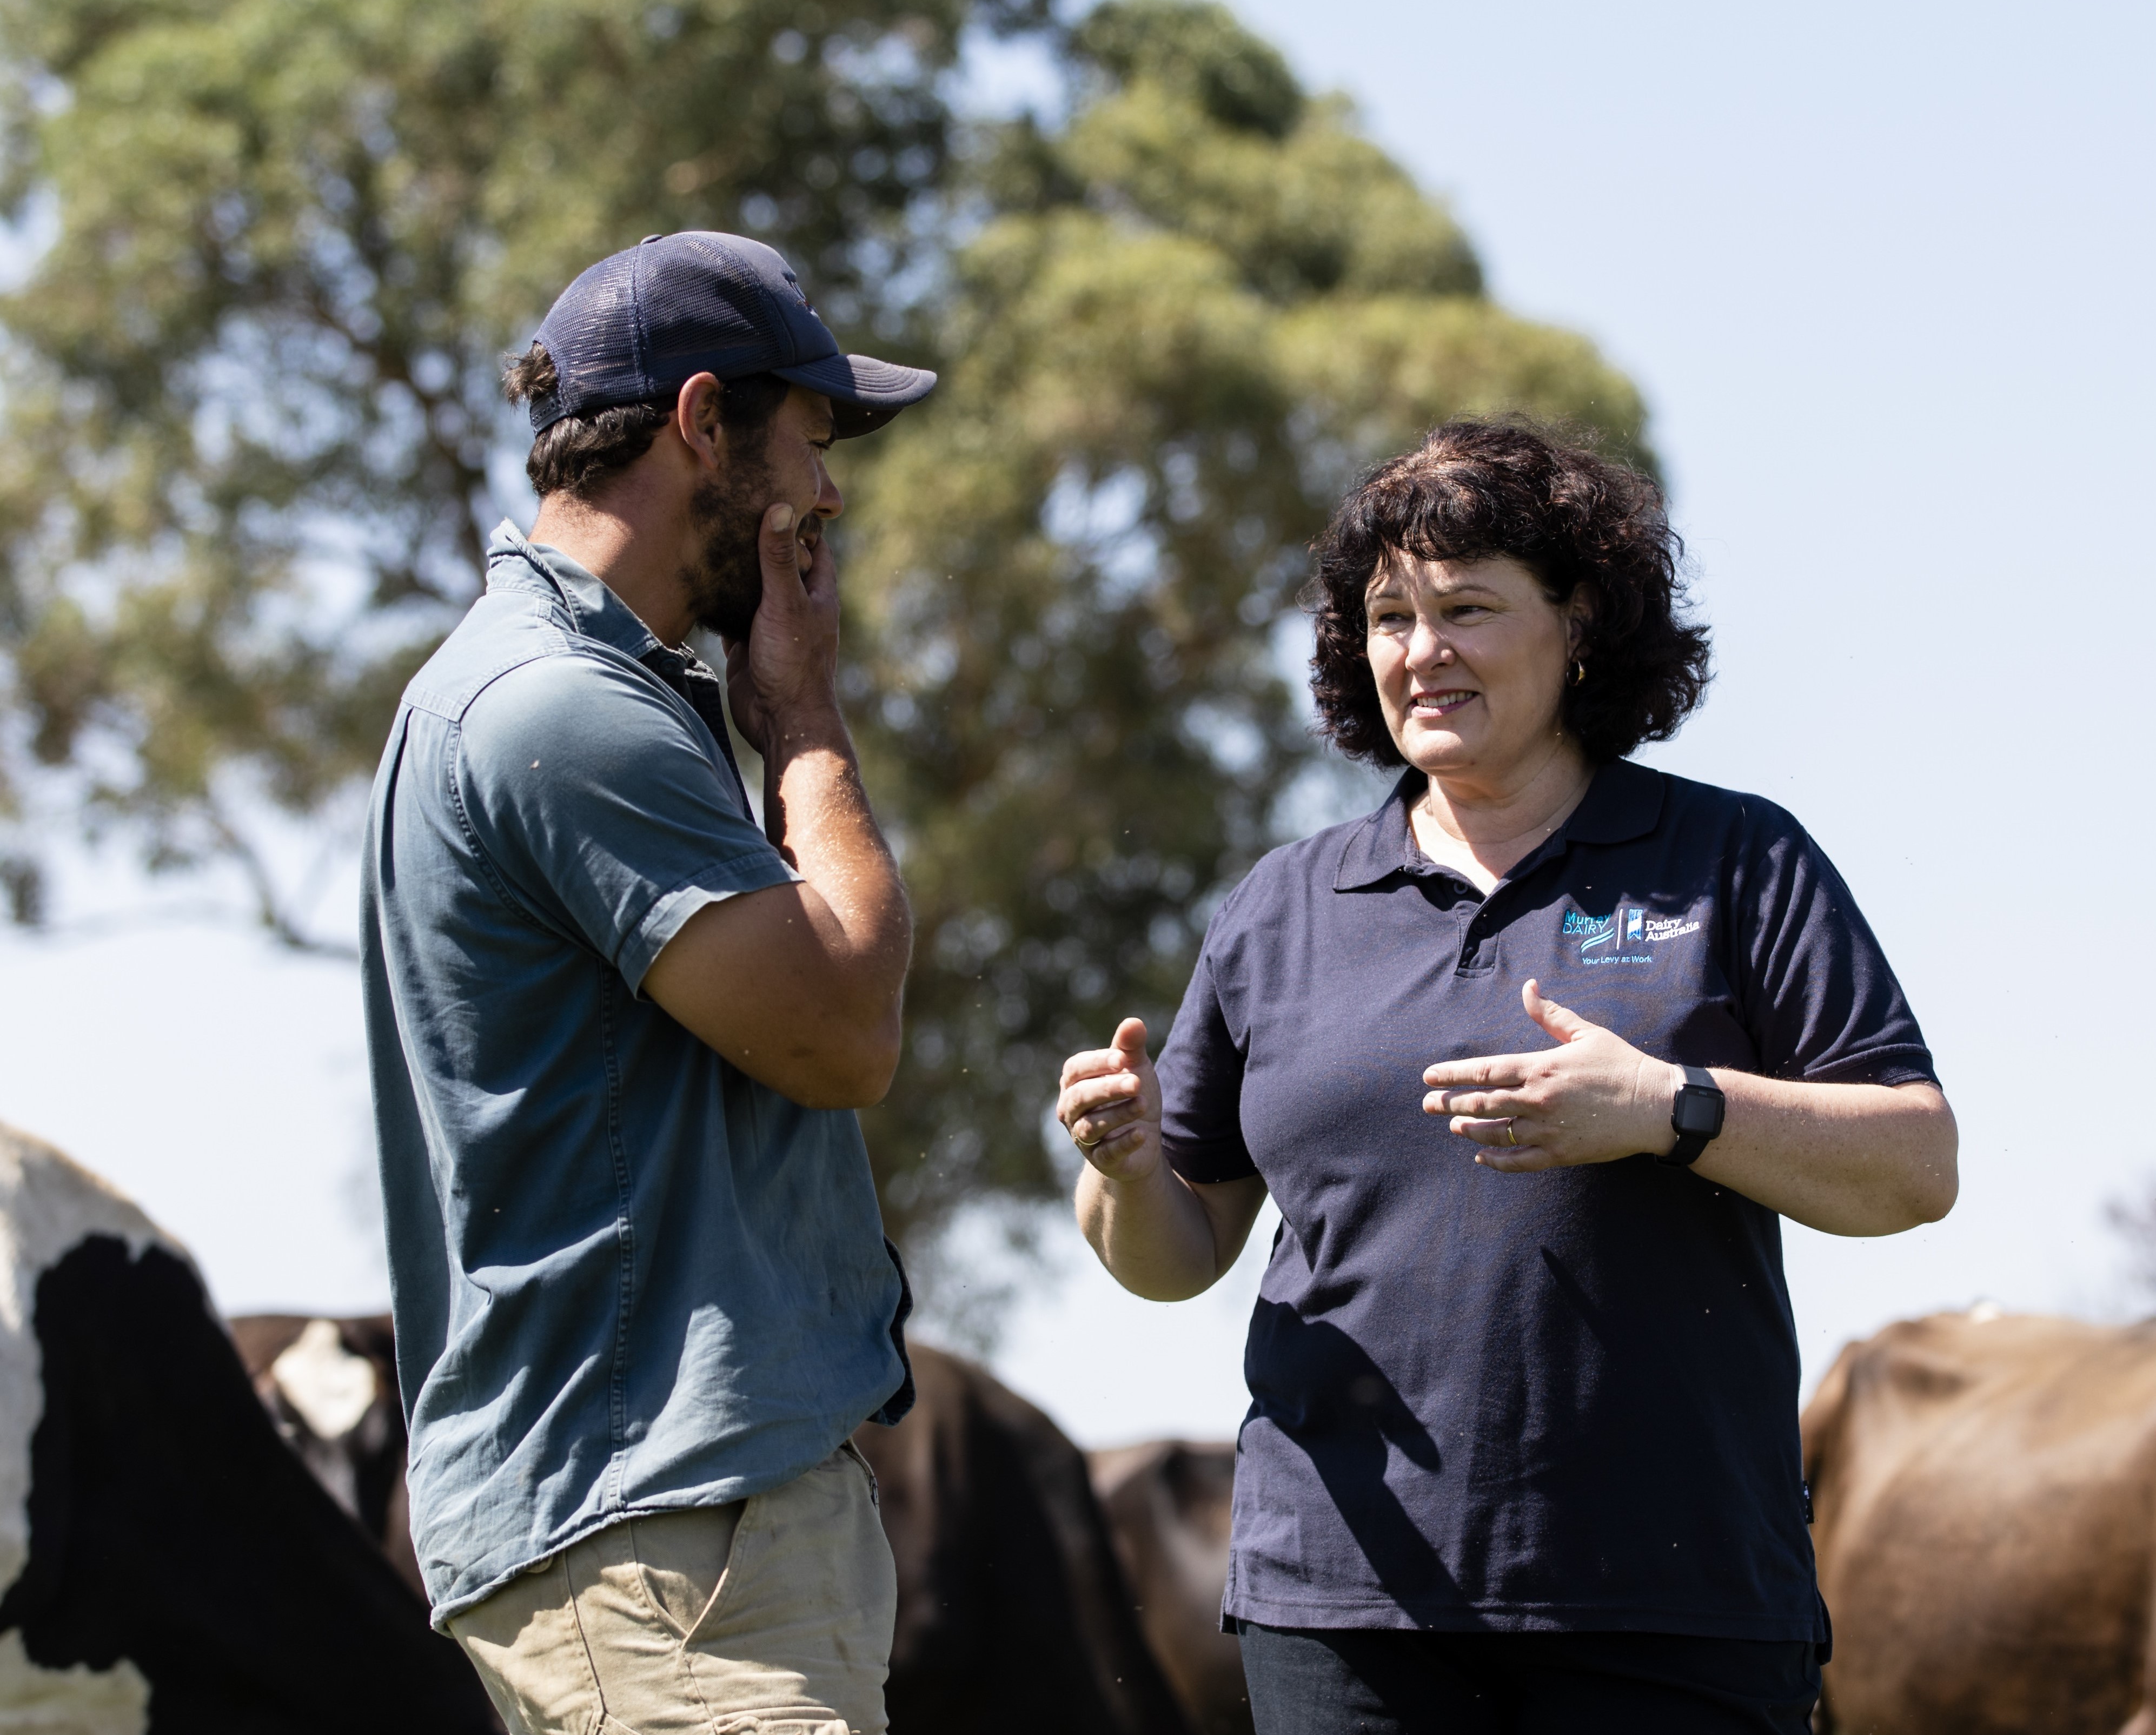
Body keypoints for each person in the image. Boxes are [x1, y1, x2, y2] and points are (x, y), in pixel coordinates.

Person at [1056, 419, 1958, 1735]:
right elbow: (1171, 1252)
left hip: (1674, 1602)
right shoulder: (1281, 907)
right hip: (1346, 1606)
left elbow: (1914, 1163)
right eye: (1389, 616)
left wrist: (1664, 1105)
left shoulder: (1731, 858)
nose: (1422, 652)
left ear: (1578, 621)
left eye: (1467, 607)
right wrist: (1127, 1165)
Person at [361, 230, 934, 1735]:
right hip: (663, 1552)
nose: (825, 494)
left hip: (662, 1543)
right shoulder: (561, 706)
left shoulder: (568, 689)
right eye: (811, 437)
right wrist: (805, 717)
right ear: (700, 423)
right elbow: (842, 1024)